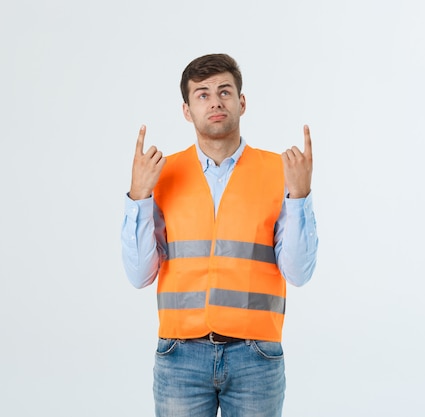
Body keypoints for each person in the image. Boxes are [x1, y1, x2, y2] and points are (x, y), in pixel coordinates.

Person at [121, 53, 318, 417]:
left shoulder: (280, 172)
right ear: (186, 110)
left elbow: (299, 273)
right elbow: (139, 276)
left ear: (241, 103)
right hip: (179, 356)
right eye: (202, 94)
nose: (215, 101)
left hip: (256, 356)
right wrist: (139, 197)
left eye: (225, 92)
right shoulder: (162, 174)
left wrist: (299, 197)